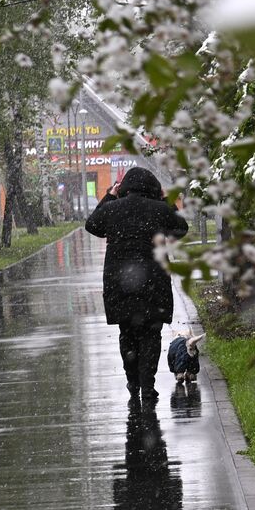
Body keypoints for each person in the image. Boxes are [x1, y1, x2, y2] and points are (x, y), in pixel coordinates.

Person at [85, 167, 189, 401]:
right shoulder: (160, 210)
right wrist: (166, 200)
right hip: (153, 282)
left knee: (127, 333)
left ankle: (132, 382)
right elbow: (181, 228)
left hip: (120, 283)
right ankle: (147, 385)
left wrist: (110, 196)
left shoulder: (112, 209)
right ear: (153, 188)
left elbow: (92, 225)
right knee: (152, 334)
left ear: (124, 188)